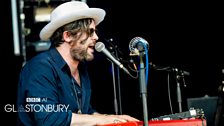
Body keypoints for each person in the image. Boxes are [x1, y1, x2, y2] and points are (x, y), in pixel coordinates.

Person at [16, 1, 139, 126]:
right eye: (90, 31)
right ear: (68, 36)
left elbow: (84, 113)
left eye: (95, 31)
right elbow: (49, 119)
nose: (96, 37)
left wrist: (113, 119)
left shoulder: (81, 69)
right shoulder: (40, 68)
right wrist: (99, 120)